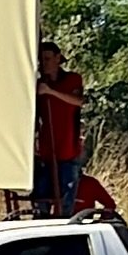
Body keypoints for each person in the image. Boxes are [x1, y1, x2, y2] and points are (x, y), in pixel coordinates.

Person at [33, 39, 85, 217]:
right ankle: (40, 223)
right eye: (42, 60)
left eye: (48, 59)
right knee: (41, 193)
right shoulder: (38, 84)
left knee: (67, 194)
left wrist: (50, 92)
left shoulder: (72, 79)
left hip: (68, 148)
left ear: (57, 58)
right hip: (46, 149)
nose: (44, 64)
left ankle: (63, 223)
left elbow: (78, 101)